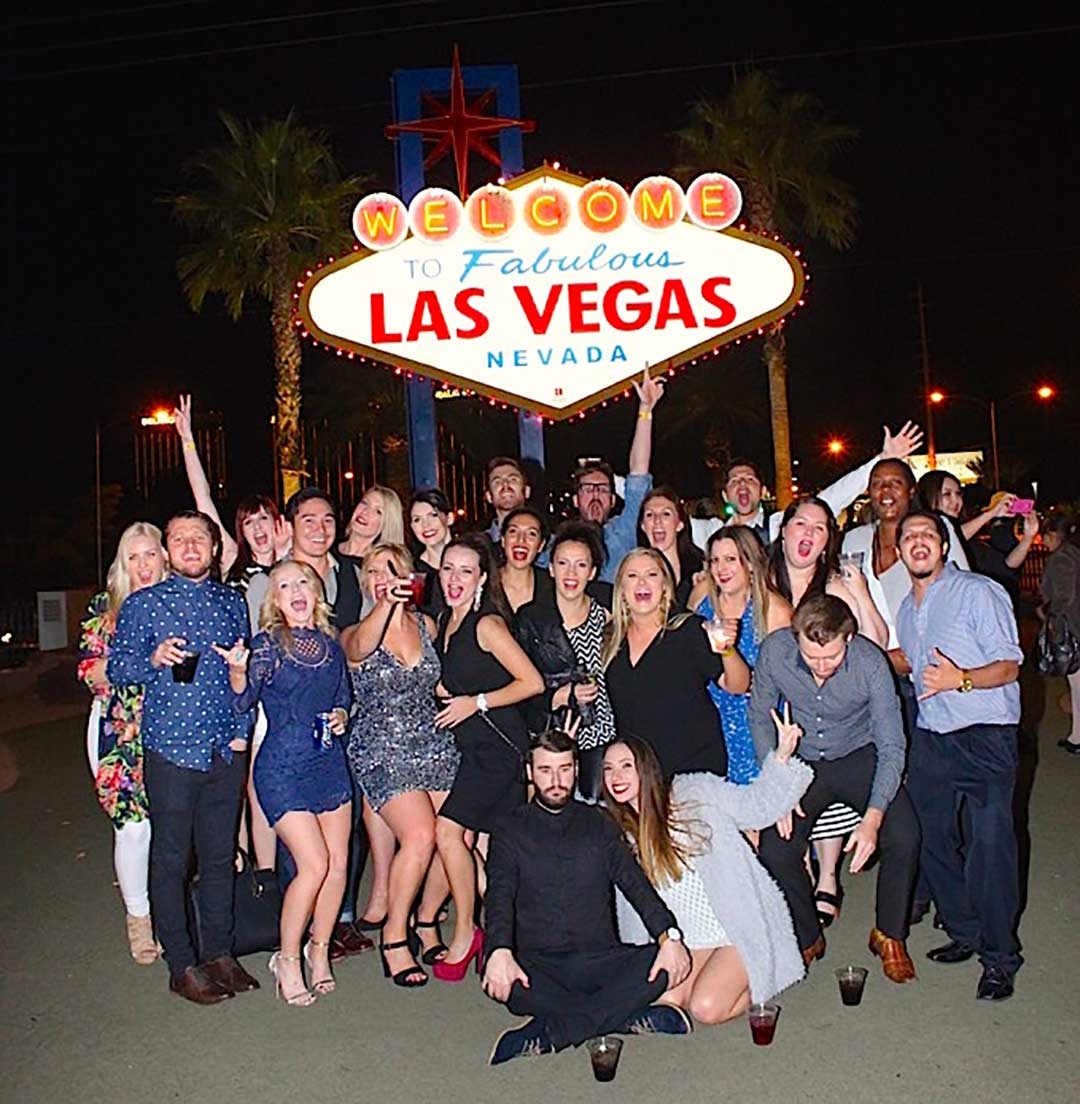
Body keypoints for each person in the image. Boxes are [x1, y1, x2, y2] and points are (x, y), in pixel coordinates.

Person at [107, 510, 258, 1004]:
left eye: (200, 538)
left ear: (215, 549)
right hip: (171, 751)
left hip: (222, 750)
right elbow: (119, 670)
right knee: (171, 859)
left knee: (218, 858)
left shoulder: (233, 602)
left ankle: (219, 952)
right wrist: (152, 661)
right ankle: (181, 963)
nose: (190, 546)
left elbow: (244, 673)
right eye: (179, 540)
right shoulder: (143, 606)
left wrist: (240, 733)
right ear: (167, 551)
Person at [482, 725, 693, 1064]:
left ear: (577, 770)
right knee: (505, 982)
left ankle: (554, 1032)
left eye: (565, 769)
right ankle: (623, 1016)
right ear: (529, 772)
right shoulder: (509, 827)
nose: (556, 780)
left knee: (661, 963)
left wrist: (668, 935)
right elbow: (499, 896)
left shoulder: (599, 822)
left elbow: (634, 883)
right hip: (539, 963)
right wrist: (499, 950)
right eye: (545, 770)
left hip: (599, 960)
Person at [749, 594, 921, 982]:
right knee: (776, 848)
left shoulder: (870, 663)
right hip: (800, 758)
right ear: (796, 639)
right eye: (812, 657)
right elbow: (759, 714)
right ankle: (809, 934)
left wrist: (873, 819)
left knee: (905, 835)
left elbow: (892, 744)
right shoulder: (775, 651)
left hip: (857, 753)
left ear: (848, 637)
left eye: (831, 657)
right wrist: (775, 782)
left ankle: (889, 934)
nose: (822, 667)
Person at [603, 722, 810, 1025]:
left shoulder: (692, 792)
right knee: (667, 1000)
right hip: (689, 939)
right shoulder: (620, 832)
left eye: (625, 766)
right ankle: (717, 977)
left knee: (705, 1009)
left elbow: (755, 807)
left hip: (733, 929)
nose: (616, 777)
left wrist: (781, 756)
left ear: (645, 769)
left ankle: (767, 972)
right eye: (608, 769)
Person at [895, 510, 1024, 1000]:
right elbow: (910, 664)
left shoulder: (977, 592)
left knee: (990, 847)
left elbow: (1009, 665)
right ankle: (964, 930)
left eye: (928, 534)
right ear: (902, 550)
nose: (919, 542)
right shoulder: (908, 610)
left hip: (986, 735)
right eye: (910, 537)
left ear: (944, 546)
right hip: (934, 738)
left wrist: (960, 679)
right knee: (927, 838)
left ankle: (999, 957)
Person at [220, 561, 353, 1006]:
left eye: (303, 583)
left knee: (337, 866)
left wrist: (341, 716)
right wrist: (238, 672)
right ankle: (288, 957)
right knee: (313, 865)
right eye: (284, 585)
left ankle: (320, 950)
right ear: (274, 599)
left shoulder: (331, 646)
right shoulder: (266, 647)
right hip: (281, 768)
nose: (295, 591)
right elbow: (242, 702)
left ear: (316, 593)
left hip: (328, 764)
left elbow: (342, 697)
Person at [340, 543, 460, 986]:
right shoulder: (355, 631)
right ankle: (395, 936)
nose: (383, 578)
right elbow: (361, 648)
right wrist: (386, 604)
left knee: (456, 832)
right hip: (382, 745)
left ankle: (426, 920)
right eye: (374, 571)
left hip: (433, 739)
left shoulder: (428, 624)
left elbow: (443, 681)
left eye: (394, 571)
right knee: (420, 835)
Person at [768, 496, 888, 925]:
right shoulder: (762, 580)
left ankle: (828, 876)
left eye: (820, 528)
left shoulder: (835, 585)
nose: (809, 534)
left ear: (827, 541)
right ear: (783, 531)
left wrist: (859, 592)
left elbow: (876, 643)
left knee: (828, 783)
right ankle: (798, 868)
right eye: (801, 524)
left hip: (828, 709)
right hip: (771, 706)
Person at [432, 533, 545, 981]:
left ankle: (466, 932)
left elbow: (532, 683)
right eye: (448, 568)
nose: (455, 579)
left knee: (447, 833)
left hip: (499, 750)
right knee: (482, 849)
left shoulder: (486, 624)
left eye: (465, 570)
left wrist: (474, 701)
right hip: (472, 749)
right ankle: (513, 923)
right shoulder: (447, 621)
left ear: (481, 578)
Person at [77, 522, 168, 965]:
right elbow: (90, 671)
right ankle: (139, 920)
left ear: (164, 558)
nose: (143, 565)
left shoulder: (178, 604)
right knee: (134, 829)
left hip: (171, 729)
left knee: (171, 828)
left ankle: (171, 916)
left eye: (150, 554)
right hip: (117, 730)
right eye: (133, 557)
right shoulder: (105, 607)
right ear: (122, 563)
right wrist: (138, 662)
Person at [603, 548, 749, 779]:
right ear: (621, 589)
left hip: (694, 770)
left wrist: (727, 649)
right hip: (642, 776)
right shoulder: (610, 639)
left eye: (651, 575)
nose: (642, 582)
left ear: (665, 586)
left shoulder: (688, 630)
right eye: (632, 576)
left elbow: (738, 685)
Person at [691, 422, 926, 548]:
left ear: (763, 491)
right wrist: (650, 411)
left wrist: (882, 460)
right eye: (735, 481)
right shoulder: (710, 532)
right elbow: (658, 513)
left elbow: (832, 498)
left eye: (750, 480)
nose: (742, 485)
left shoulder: (779, 526)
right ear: (725, 495)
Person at [513, 522, 615, 799]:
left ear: (592, 572)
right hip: (552, 734)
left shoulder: (609, 614)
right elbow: (517, 686)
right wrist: (558, 696)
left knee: (599, 814)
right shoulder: (530, 619)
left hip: (604, 733)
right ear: (551, 568)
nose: (571, 573)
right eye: (563, 563)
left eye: (581, 565)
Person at [687, 526, 793, 784]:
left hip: (752, 724)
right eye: (715, 560)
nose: (721, 568)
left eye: (730, 559)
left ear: (751, 564)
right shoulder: (702, 597)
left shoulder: (773, 610)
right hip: (705, 718)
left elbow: (791, 678)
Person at [842, 458, 968, 670]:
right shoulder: (854, 540)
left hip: (927, 666)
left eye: (895, 483)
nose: (885, 489)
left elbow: (962, 595)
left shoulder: (933, 529)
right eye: (877, 483)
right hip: (871, 668)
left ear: (911, 491)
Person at [173, 395, 287, 586]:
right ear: (241, 531)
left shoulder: (293, 562)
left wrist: (285, 557)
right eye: (248, 522)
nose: (257, 527)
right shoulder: (234, 559)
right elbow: (202, 497)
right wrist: (187, 440)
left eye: (263, 518)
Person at [572, 365, 666, 581]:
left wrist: (645, 410)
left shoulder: (623, 531)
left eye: (602, 489)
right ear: (576, 500)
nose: (595, 494)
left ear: (613, 500)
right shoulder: (560, 541)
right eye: (588, 489)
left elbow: (638, 473)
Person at [1040, 515, 1080, 755]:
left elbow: (1063, 598)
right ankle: (1076, 735)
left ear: (1053, 535)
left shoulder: (1060, 559)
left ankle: (1077, 737)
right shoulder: (1073, 552)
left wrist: (1048, 612)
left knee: (1076, 685)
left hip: (1073, 629)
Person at [637, 487, 704, 611]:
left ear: (679, 524)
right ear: (643, 526)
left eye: (666, 514)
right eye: (650, 515)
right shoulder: (634, 571)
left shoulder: (700, 569)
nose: (657, 521)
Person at [408, 487, 455, 617]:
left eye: (433, 515)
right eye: (417, 519)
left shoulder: (473, 558)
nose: (426, 525)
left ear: (449, 518)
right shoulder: (414, 571)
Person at [499, 506, 552, 614]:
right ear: (503, 540)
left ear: (541, 545)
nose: (521, 539)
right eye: (513, 531)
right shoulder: (484, 584)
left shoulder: (552, 586)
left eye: (531, 534)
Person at [483, 457, 532, 545]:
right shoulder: (478, 547)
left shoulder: (550, 546)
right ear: (489, 496)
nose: (505, 485)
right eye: (497, 482)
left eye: (513, 479)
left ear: (527, 491)